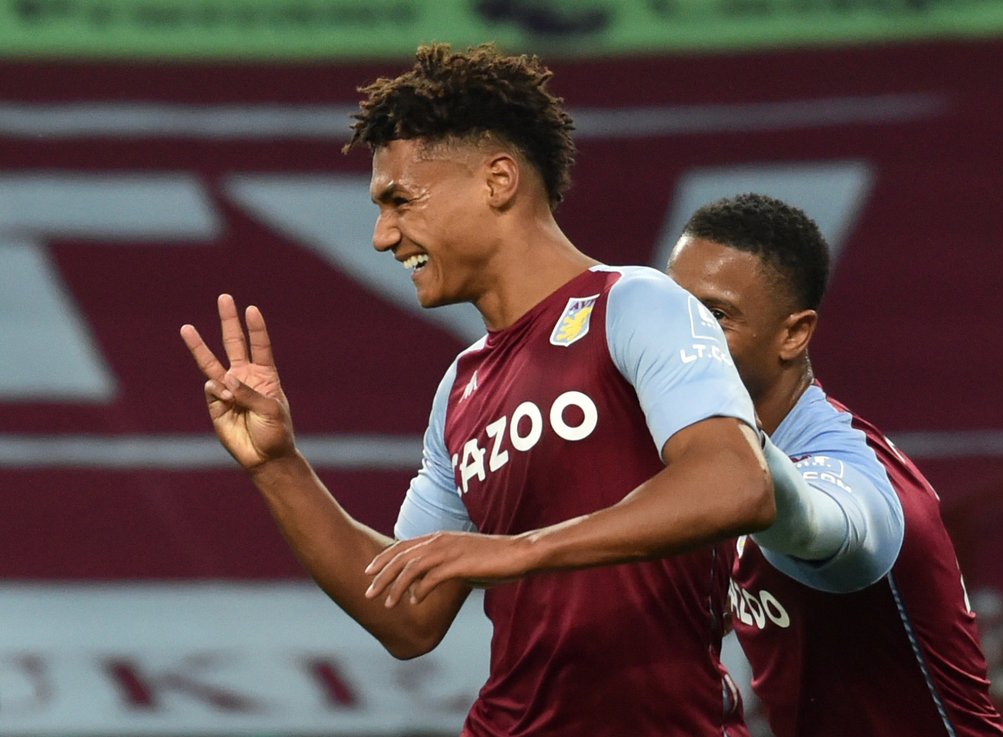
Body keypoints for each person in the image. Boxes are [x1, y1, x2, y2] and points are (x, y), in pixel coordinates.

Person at [179, 44, 774, 737]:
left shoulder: (637, 304)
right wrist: (279, 466)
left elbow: (737, 484)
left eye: (400, 201)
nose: (381, 237)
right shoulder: (461, 389)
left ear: (498, 180)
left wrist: (519, 550)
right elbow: (407, 615)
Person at [666, 193, 1003, 737]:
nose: (675, 337)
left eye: (715, 316)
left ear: (793, 334)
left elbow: (817, 521)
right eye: (669, 309)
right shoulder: (707, 448)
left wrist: (726, 439)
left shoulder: (851, 471)